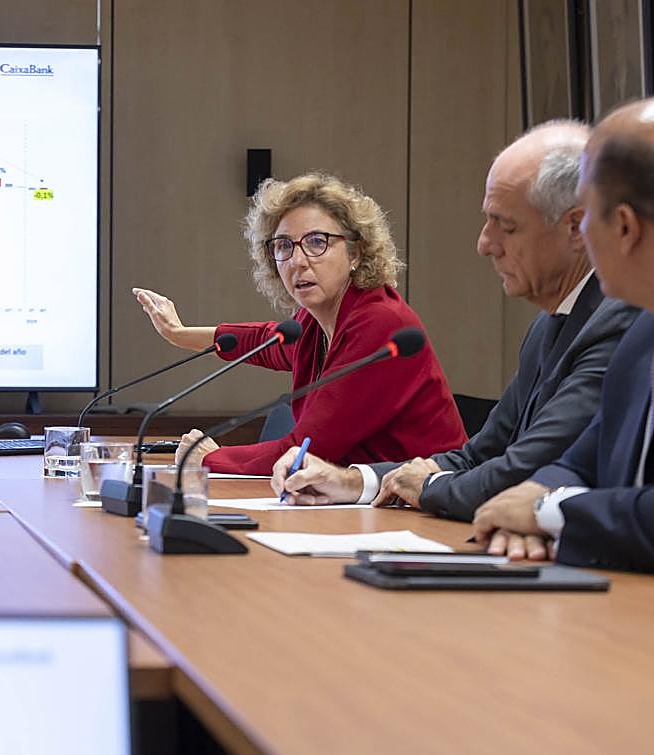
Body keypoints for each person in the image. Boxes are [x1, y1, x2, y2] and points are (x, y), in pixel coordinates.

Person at [271, 122, 639, 520]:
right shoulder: (548, 324)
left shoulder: (616, 321)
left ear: (575, 228)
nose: (484, 243)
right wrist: (355, 481)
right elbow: (481, 453)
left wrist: (428, 487)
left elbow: (526, 470)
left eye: (507, 225)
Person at [133, 172, 465, 475]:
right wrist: (179, 334)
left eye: (317, 242)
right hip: (364, 502)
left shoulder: (380, 321)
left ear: (355, 253)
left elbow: (307, 449)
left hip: (422, 508)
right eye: (283, 246)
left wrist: (208, 457)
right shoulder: (316, 319)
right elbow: (267, 342)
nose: (297, 261)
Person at [471, 100, 654, 569]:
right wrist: (533, 501)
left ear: (626, 228)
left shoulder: (622, 323)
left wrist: (545, 511)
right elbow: (577, 461)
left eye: (587, 216)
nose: (583, 236)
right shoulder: (642, 333)